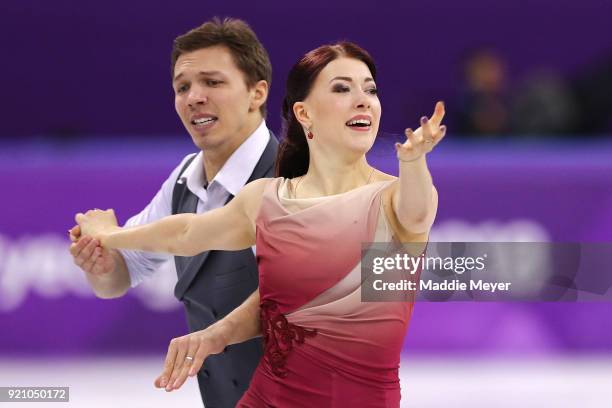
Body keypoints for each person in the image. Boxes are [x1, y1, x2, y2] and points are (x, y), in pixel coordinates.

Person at [76, 41, 446, 407]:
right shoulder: (266, 197)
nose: (363, 100)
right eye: (341, 88)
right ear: (305, 114)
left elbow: (416, 213)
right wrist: (112, 235)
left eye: (370, 90)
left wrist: (414, 163)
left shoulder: (392, 198)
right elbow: (187, 233)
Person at [68, 18, 277, 408]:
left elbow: (306, 296)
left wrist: (111, 235)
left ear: (256, 93)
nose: (194, 96)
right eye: (183, 87)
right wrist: (101, 262)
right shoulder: (185, 178)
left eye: (213, 82)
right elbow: (119, 276)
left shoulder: (297, 175)